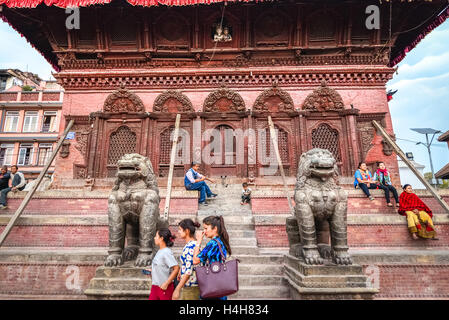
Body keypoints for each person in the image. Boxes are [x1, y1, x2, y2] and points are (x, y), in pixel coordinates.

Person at [192, 215, 231, 300]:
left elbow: (195, 260)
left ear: (215, 228)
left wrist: (198, 241)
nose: (204, 231)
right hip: (220, 285)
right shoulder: (220, 241)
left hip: (211, 285)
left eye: (206, 228)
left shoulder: (212, 243)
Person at [172, 219, 201, 300]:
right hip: (192, 285)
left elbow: (188, 271)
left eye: (180, 230)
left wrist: (177, 289)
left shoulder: (190, 246)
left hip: (190, 287)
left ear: (187, 231)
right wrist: (181, 270)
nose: (178, 232)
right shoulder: (193, 244)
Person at [148, 228, 180, 300]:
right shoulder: (159, 251)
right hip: (155, 287)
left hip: (164, 288)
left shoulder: (166, 252)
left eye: (156, 236)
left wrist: (166, 283)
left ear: (161, 238)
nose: (154, 238)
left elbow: (176, 268)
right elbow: (161, 266)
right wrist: (152, 270)